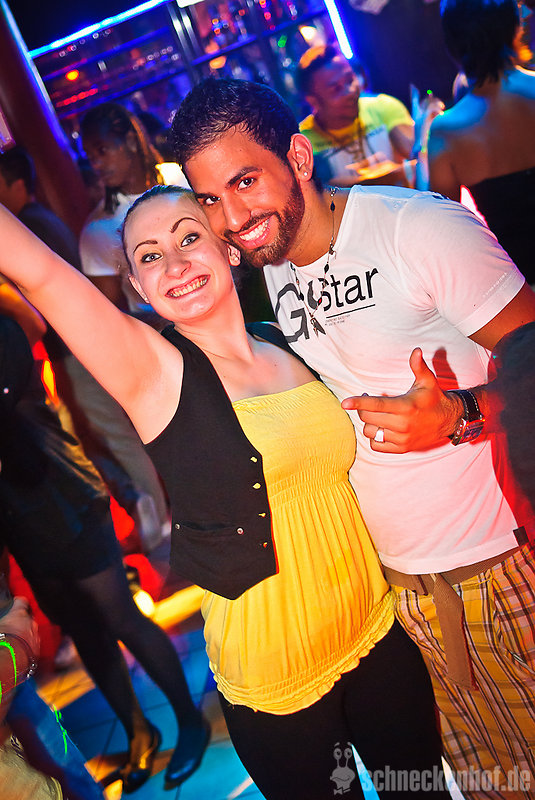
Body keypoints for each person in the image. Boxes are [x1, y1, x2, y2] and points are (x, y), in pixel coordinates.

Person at [0, 186, 451, 799]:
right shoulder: (153, 370)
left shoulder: (287, 339)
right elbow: (42, 273)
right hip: (278, 681)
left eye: (189, 237)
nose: (175, 264)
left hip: (375, 633)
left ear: (229, 249)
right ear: (136, 286)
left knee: (422, 792)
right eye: (150, 256)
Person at [170, 76, 535, 799]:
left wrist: (461, 412)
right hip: (400, 599)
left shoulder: (415, 229)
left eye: (245, 181)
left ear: (298, 158)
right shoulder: (273, 267)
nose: (232, 217)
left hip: (498, 569)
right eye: (209, 198)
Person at [0, 305, 209, 794]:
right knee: (87, 634)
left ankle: (190, 722)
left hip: (65, 498)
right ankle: (140, 734)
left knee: (120, 618)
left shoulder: (5, 329)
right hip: (19, 519)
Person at [0, 143, 167, 553]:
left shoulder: (31, 225)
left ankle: (159, 523)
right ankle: (154, 519)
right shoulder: (42, 220)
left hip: (77, 348)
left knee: (114, 436)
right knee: (110, 434)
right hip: (78, 346)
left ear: (17, 183)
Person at [427, 0, 535, 285]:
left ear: (452, 44)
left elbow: (442, 229)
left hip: (522, 286)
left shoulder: (446, 131)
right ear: (513, 27)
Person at [296, 44, 415, 187]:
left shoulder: (383, 106)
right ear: (313, 101)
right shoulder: (303, 140)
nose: (351, 91)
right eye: (336, 89)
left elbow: (418, 157)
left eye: (350, 79)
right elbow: (322, 191)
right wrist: (398, 173)